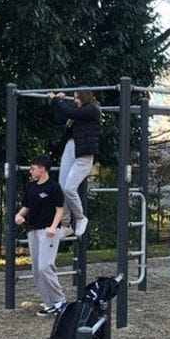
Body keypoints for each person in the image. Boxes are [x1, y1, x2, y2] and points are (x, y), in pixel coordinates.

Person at [14, 154, 67, 317]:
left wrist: (53, 227)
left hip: (48, 231)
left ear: (42, 169)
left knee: (45, 266)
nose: (31, 171)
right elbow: (26, 205)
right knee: (37, 270)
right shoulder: (30, 186)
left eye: (33, 168)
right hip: (33, 229)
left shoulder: (54, 187)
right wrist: (19, 215)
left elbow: (60, 209)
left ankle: (60, 300)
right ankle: (50, 303)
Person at [48, 89, 100, 238]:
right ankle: (65, 224)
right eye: (74, 98)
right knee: (61, 187)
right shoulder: (76, 113)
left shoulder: (92, 110)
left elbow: (70, 112)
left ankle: (80, 217)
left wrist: (57, 100)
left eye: (77, 98)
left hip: (84, 153)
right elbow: (59, 118)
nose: (75, 100)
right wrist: (56, 102)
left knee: (69, 188)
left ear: (85, 97)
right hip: (70, 148)